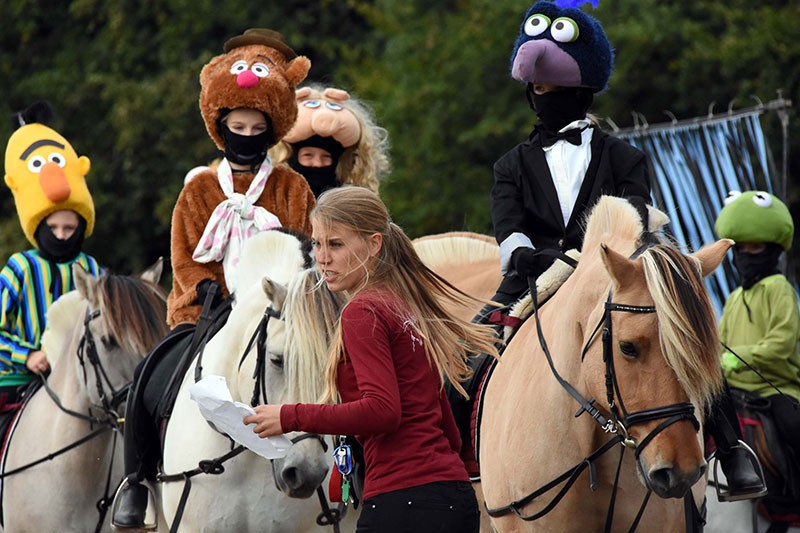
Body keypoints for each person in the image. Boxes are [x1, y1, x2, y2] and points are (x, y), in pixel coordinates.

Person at [111, 28, 314, 529]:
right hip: (207, 310)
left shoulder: (293, 186)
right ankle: (137, 479)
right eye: (237, 124)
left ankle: (341, 479)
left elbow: (307, 250)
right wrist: (207, 291)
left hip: (279, 311)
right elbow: (184, 252)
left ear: (270, 129)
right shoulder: (200, 187)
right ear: (222, 127)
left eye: (255, 125)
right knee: (149, 376)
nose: (246, 134)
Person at [243, 186, 498, 533]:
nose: (322, 257)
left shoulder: (362, 311)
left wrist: (289, 416)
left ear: (375, 244)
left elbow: (382, 410)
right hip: (451, 496)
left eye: (335, 244)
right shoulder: (402, 305)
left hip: (403, 502)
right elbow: (447, 427)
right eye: (317, 244)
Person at [0, 101, 101, 412]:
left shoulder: (91, 268)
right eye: (53, 227)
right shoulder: (20, 268)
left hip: (77, 378)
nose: (60, 235)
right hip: (16, 381)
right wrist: (27, 356)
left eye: (69, 227)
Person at [714, 190, 800, 497]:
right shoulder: (734, 298)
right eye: (742, 248)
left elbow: (783, 342)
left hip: (776, 387)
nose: (748, 255)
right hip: (735, 390)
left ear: (773, 250)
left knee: (793, 426)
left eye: (757, 247)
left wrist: (739, 359)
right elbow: (719, 343)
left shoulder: (780, 289)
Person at [270, 84, 389, 198]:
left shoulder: (347, 203)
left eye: (326, 157)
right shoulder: (271, 198)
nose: (317, 163)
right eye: (308, 155)